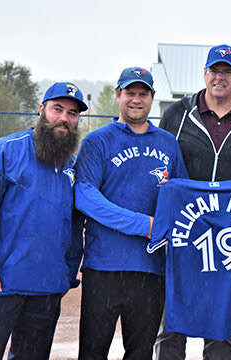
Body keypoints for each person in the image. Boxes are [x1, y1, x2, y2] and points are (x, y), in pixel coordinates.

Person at [156, 44, 231, 360]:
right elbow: (163, 166)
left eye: (227, 72)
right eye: (214, 71)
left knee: (221, 325)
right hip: (183, 236)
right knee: (171, 325)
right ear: (205, 74)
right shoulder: (177, 115)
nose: (220, 77)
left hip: (229, 237)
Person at [0, 82, 87, 360]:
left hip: (48, 288)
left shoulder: (72, 166)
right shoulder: (3, 151)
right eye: (57, 109)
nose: (65, 118)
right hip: (1, 285)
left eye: (73, 113)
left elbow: (75, 227)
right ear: (41, 110)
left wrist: (66, 275)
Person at [75, 67, 188, 360]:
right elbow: (86, 198)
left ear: (152, 98)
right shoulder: (98, 141)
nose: (136, 100)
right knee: (92, 351)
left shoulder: (167, 143)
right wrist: (145, 224)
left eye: (143, 94)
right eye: (129, 93)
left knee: (139, 353)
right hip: (104, 267)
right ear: (118, 95)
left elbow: (182, 198)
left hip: (150, 269)